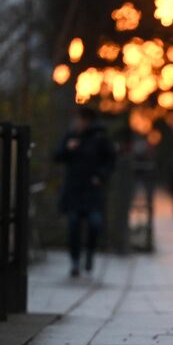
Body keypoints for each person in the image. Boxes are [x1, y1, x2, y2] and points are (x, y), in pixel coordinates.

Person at [54, 107, 116, 277]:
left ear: (87, 121)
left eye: (80, 119)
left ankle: (89, 253)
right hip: (74, 190)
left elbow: (111, 160)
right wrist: (68, 149)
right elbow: (58, 156)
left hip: (92, 191)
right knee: (73, 225)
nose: (77, 123)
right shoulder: (71, 136)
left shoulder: (99, 138)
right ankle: (75, 261)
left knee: (94, 224)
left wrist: (100, 176)